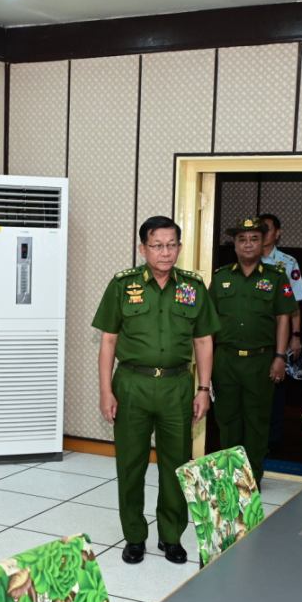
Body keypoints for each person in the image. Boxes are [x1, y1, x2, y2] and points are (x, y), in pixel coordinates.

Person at [93, 216, 219, 565]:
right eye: (157, 245)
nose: (165, 252)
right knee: (130, 465)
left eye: (171, 245)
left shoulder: (193, 286)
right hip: (132, 384)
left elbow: (204, 340)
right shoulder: (123, 285)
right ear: (143, 248)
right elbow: (108, 340)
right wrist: (105, 391)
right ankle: (134, 536)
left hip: (177, 387)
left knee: (175, 465)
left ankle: (171, 536)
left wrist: (203, 388)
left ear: (180, 247)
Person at [210, 218, 295, 484]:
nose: (248, 244)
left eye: (254, 239)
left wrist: (280, 357)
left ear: (263, 243)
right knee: (227, 421)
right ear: (234, 245)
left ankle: (252, 477)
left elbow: (284, 317)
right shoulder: (221, 277)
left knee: (257, 423)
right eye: (242, 239)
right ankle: (230, 476)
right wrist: (206, 364)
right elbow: (208, 324)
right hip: (225, 360)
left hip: (261, 361)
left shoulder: (276, 277)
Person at [258, 212, 302, 450]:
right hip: (254, 337)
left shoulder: (287, 262)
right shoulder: (248, 257)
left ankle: (273, 441)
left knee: (276, 387)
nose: (263, 233)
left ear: (277, 233)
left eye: (267, 228)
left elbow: (295, 303)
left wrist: (296, 336)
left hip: (280, 335)